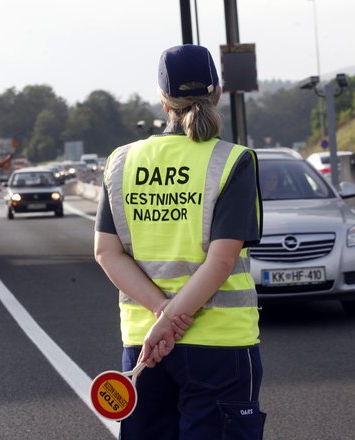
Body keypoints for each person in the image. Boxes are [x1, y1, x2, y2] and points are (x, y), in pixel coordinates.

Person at [94, 44, 265, 439]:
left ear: (162, 100)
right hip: (220, 343)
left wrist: (160, 316)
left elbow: (106, 252)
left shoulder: (121, 161)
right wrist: (171, 322)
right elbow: (221, 262)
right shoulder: (233, 160)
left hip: (143, 344)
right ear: (218, 93)